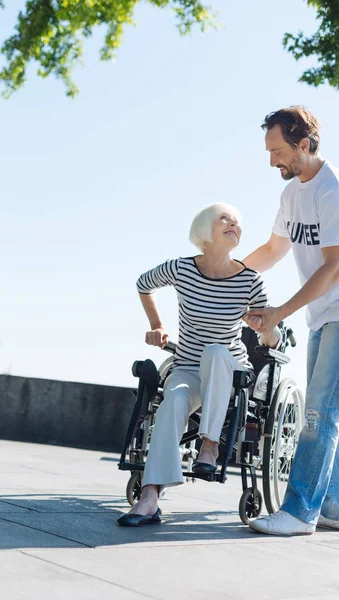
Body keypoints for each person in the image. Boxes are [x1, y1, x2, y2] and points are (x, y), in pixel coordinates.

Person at [243, 106, 339, 536]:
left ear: (303, 144)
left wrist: (279, 312)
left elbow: (334, 268)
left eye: (278, 151)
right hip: (324, 313)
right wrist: (230, 273)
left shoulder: (338, 191)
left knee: (319, 413)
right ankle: (337, 508)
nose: (272, 161)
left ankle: (299, 511)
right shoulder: (292, 194)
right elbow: (273, 249)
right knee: (325, 412)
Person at [118, 203, 281, 527]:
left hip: (229, 371)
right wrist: (158, 325)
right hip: (188, 368)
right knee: (173, 400)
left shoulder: (250, 280)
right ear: (205, 229)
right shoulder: (182, 269)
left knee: (215, 353)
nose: (234, 223)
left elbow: (271, 334)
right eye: (225, 218)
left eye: (238, 221)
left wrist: (266, 327)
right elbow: (143, 283)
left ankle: (209, 446)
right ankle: (150, 497)